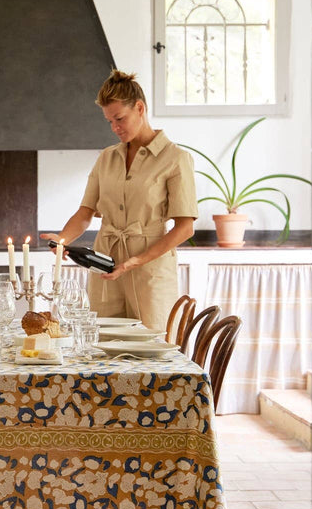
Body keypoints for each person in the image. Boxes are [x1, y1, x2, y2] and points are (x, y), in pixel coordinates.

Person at [41, 69, 198, 331]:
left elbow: (185, 227)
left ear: (140, 108)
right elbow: (85, 213)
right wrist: (62, 240)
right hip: (105, 266)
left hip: (150, 271)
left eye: (120, 118)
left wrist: (135, 261)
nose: (115, 128)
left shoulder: (176, 159)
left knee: (153, 343)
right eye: (109, 122)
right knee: (103, 342)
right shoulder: (106, 157)